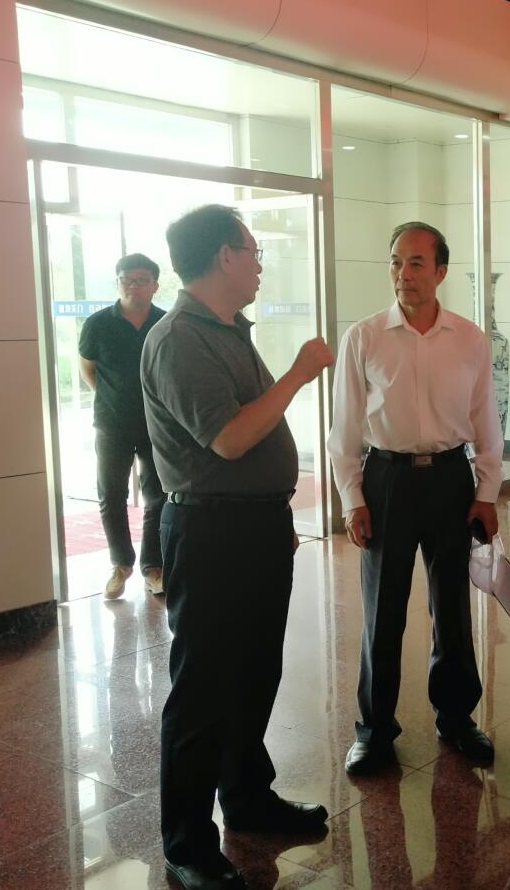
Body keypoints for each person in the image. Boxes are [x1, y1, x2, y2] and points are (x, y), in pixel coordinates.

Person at [142, 205, 333, 890]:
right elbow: (228, 438)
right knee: (203, 689)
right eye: (252, 251)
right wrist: (299, 372)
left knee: (254, 672)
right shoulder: (177, 339)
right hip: (209, 532)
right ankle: (187, 842)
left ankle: (248, 798)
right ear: (224, 255)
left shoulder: (227, 329)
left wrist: (270, 511)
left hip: (253, 527)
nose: (259, 263)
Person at [328, 221, 502, 775]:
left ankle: (456, 718)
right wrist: (352, 498)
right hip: (388, 481)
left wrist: (487, 492)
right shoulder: (364, 337)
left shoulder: (469, 338)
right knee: (382, 610)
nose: (404, 274)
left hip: (451, 479)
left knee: (451, 606)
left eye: (417, 263)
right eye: (396, 262)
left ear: (441, 271)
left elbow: (486, 419)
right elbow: (343, 428)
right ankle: (374, 730)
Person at [78, 253, 167, 598]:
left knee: (157, 494)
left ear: (155, 285)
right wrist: (111, 397)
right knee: (111, 494)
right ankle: (120, 564)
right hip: (111, 423)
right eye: (127, 279)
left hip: (156, 423)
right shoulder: (98, 324)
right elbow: (88, 368)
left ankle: (153, 566)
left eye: (142, 280)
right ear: (117, 283)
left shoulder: (165, 323)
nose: (134, 286)